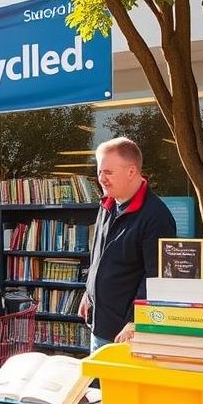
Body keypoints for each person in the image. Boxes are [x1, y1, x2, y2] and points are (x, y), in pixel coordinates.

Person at [79, 137, 177, 353]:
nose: (101, 179)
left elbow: (156, 276)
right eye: (99, 172)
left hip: (125, 335)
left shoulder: (157, 217)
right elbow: (98, 255)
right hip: (100, 325)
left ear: (132, 172)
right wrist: (89, 293)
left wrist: (135, 321)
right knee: (97, 386)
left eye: (108, 172)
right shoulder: (108, 204)